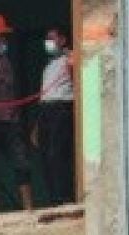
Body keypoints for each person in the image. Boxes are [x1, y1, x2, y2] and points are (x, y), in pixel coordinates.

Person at [0, 14, 34, 213]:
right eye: (0, 36)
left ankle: (28, 207)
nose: (4, 40)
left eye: (4, 36)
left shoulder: (6, 60)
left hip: (11, 119)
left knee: (22, 162)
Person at [31, 28, 76, 206]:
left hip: (61, 109)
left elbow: (76, 82)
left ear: (63, 40)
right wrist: (36, 125)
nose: (48, 42)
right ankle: (53, 199)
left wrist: (72, 58)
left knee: (57, 154)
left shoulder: (69, 59)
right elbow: (44, 95)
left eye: (52, 38)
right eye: (47, 38)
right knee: (45, 156)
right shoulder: (49, 65)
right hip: (45, 111)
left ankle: (64, 196)